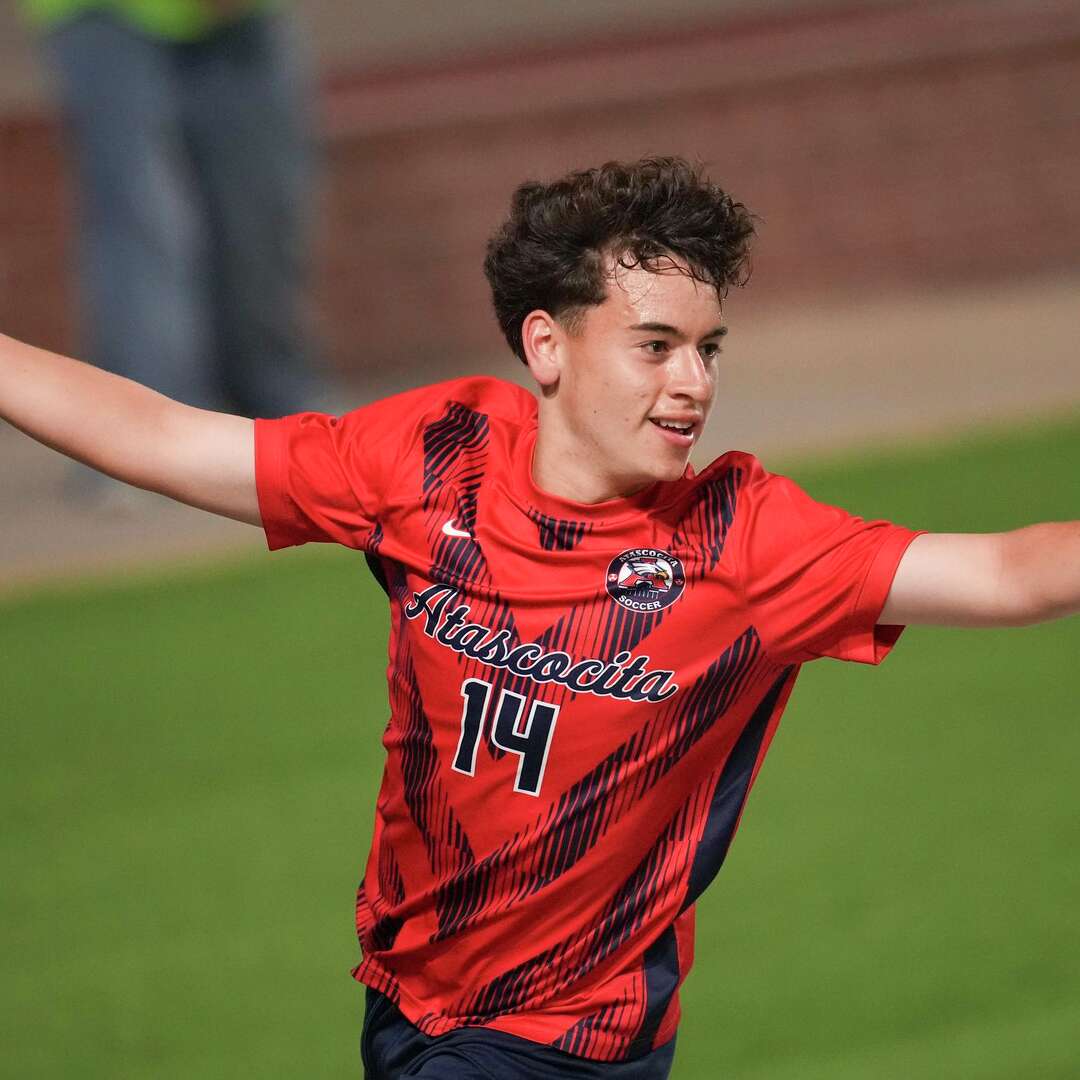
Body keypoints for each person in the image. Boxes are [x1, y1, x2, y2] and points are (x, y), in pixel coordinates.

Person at [2, 157, 1077, 1079]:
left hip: (569, 1036)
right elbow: (168, 440)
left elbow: (1013, 574)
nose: (693, 382)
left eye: (711, 348)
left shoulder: (745, 539)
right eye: (655, 346)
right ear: (547, 346)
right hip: (408, 1000)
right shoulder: (435, 459)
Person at [20, 0, 322, 499]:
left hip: (243, 17)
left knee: (262, 210)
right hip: (106, 13)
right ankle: (132, 447)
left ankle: (284, 418)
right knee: (144, 226)